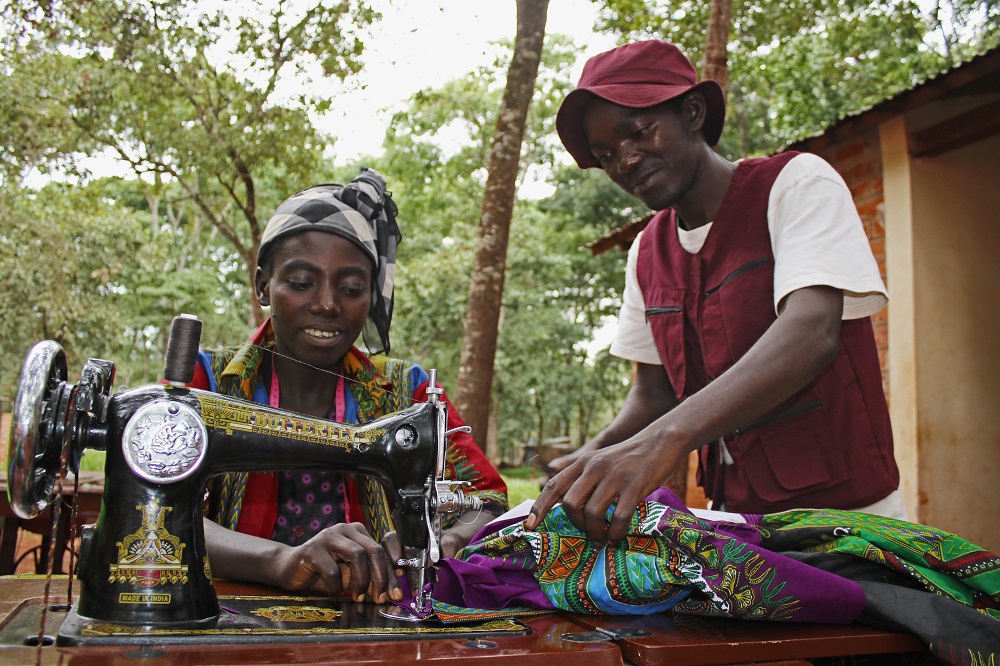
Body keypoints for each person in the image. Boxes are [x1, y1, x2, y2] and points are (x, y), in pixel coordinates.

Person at [527, 40, 903, 545]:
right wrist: (592, 458)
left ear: (693, 111)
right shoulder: (647, 251)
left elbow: (811, 332)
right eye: (605, 155)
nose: (625, 161)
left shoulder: (794, 186)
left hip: (850, 519)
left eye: (637, 132)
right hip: (734, 522)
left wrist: (663, 442)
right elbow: (654, 393)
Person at [189, 168, 508, 605]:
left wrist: (444, 541)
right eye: (301, 283)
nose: (327, 304)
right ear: (263, 285)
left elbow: (487, 502)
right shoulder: (205, 383)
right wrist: (279, 561)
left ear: (371, 297)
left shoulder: (405, 390)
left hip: (368, 612)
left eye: (352, 288)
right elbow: (154, 509)